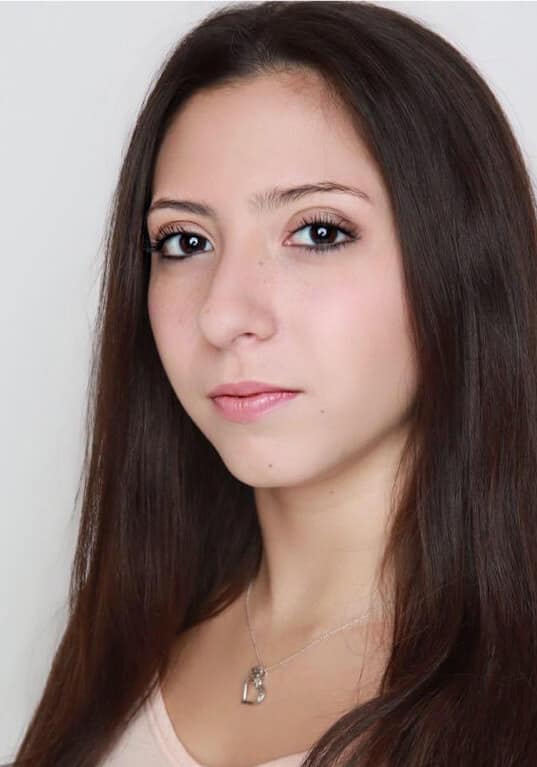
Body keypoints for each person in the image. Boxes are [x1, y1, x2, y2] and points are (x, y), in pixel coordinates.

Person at [9, 2, 537, 766]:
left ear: (459, 261)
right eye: (184, 241)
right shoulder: (114, 655)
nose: (223, 313)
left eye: (318, 231)